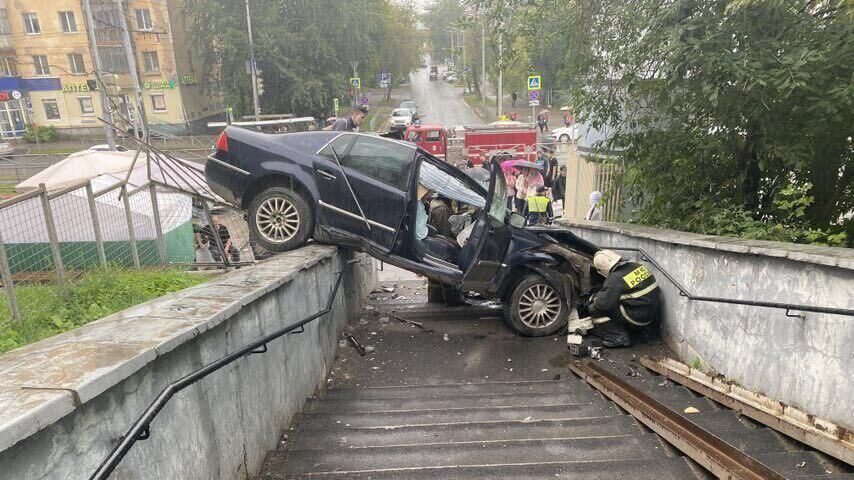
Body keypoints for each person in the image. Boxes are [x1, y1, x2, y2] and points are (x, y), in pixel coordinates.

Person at [567, 250, 661, 348]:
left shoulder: (615, 278)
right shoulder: (636, 266)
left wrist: (592, 299)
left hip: (637, 317)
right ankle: (635, 330)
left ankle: (617, 337)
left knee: (595, 309)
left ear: (602, 268)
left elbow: (602, 304)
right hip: (650, 314)